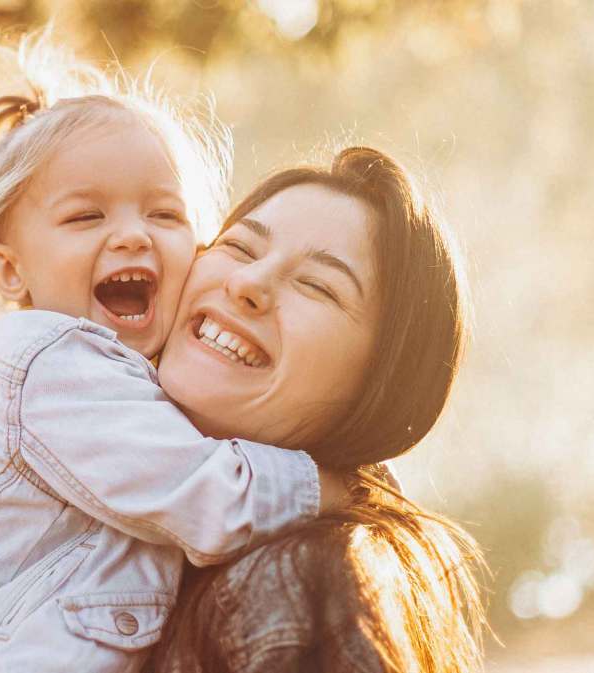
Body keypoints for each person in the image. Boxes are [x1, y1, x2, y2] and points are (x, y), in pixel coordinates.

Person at [0, 32, 347, 673]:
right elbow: (202, 497)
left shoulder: (140, 387)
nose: (133, 235)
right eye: (86, 219)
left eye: (165, 215)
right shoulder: (52, 367)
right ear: (10, 273)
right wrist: (327, 488)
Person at [144, 147, 487, 672]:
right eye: (239, 247)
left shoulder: (300, 586)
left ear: (380, 380)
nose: (248, 284)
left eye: (317, 286)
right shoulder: (84, 490)